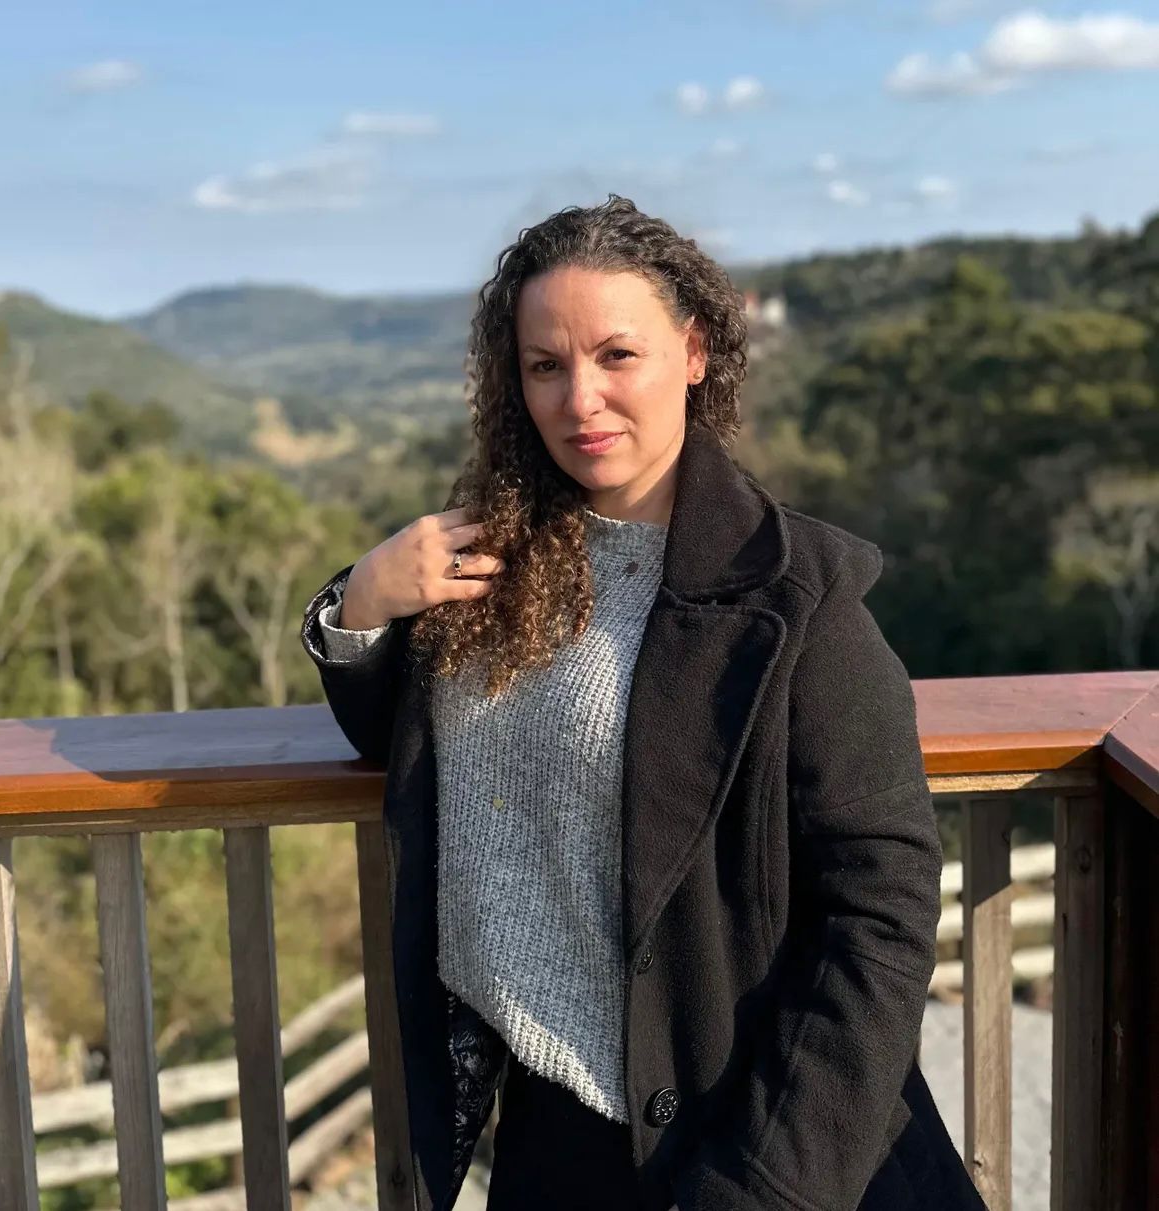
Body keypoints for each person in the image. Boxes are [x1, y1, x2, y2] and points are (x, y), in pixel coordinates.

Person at [301, 195, 984, 1211]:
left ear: (694, 351)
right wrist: (363, 601)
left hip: (753, 1134)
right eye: (545, 364)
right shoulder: (501, 555)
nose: (581, 398)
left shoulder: (795, 596)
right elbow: (411, 745)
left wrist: (762, 1185)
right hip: (554, 1127)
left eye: (617, 354)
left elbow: (881, 911)